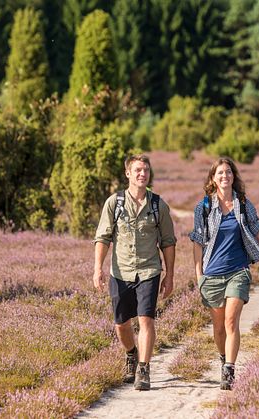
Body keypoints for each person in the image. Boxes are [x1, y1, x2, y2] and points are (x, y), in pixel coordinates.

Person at [189, 157, 259, 390]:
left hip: (238, 271)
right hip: (212, 273)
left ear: (233, 176)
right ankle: (223, 357)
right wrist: (199, 274)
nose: (224, 176)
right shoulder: (203, 207)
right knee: (218, 329)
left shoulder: (244, 204)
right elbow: (197, 242)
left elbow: (257, 235)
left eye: (228, 172)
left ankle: (230, 369)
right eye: (220, 173)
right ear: (213, 179)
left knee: (231, 321)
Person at [93, 154, 177, 391]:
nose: (143, 174)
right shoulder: (114, 203)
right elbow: (103, 237)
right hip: (120, 272)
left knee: (146, 318)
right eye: (138, 170)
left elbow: (168, 242)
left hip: (149, 270)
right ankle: (131, 353)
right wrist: (97, 268)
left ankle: (143, 369)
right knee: (121, 323)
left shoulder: (158, 205)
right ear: (128, 173)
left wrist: (169, 275)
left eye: (146, 170)